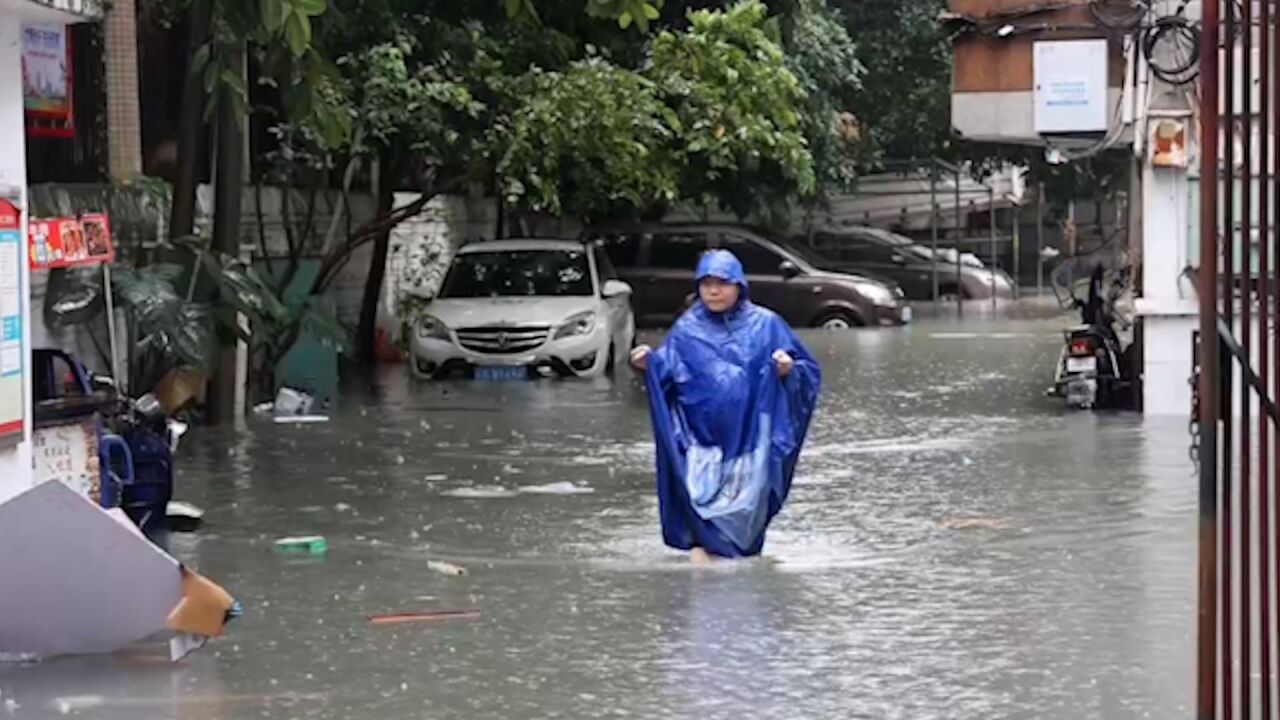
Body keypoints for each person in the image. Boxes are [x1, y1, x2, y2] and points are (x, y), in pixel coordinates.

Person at [631, 249, 821, 562]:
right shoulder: (687, 329)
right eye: (706, 284)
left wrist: (789, 370)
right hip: (701, 444)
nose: (714, 291)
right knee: (701, 521)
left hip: (751, 444)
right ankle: (707, 591)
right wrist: (647, 364)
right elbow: (666, 373)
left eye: (722, 283)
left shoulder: (767, 325)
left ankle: (736, 594)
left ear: (739, 286)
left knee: (743, 521)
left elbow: (808, 372)